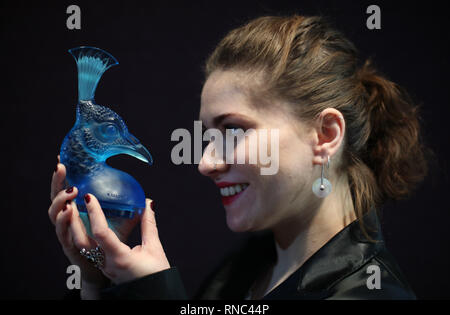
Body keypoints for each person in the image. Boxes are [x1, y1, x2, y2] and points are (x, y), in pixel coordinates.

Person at [48, 15, 429, 300]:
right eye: (206, 136)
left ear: (324, 135)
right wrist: (98, 282)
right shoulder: (243, 272)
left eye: (233, 130)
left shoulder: (370, 293)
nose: (205, 163)